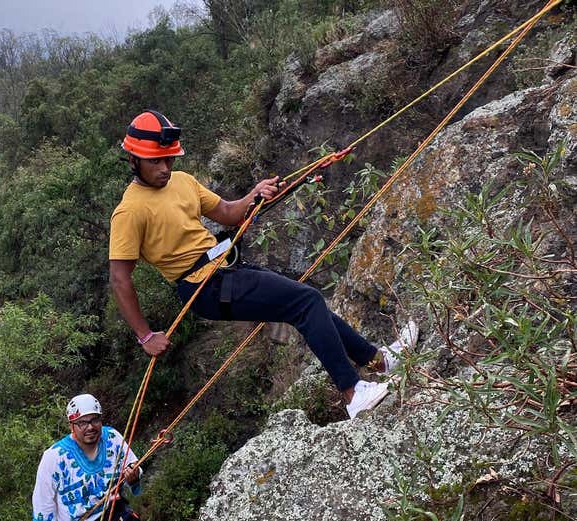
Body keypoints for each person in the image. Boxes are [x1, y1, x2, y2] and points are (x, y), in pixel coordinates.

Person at [109, 110, 420, 419]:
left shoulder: (182, 181)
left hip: (226, 268)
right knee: (306, 301)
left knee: (304, 302)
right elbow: (120, 278)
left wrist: (255, 194)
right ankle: (353, 393)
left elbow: (229, 212)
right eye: (156, 161)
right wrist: (146, 336)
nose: (165, 168)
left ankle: (380, 361)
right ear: (134, 160)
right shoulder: (130, 211)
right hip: (203, 289)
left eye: (169, 159)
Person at [32, 394, 142, 521]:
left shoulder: (112, 438)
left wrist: (133, 476)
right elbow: (43, 506)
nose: (90, 427)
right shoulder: (54, 458)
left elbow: (134, 466)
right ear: (71, 426)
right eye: (82, 423)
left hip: (115, 512)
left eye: (95, 420)